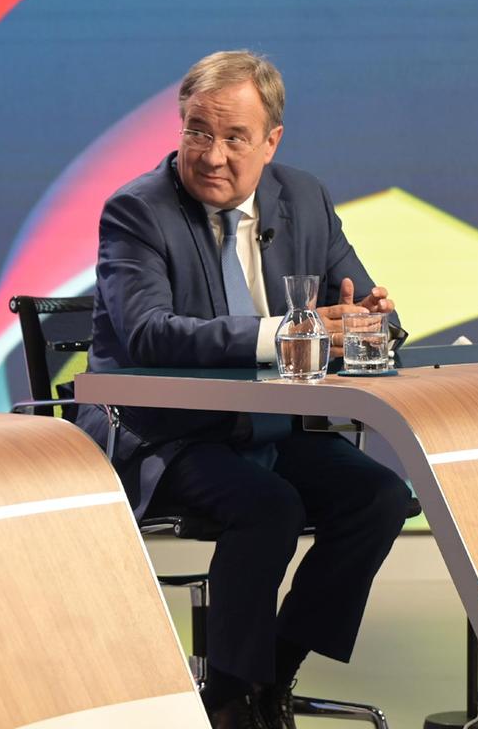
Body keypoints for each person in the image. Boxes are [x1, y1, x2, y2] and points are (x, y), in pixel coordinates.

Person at [75, 51, 411, 729]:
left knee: (379, 498)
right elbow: (148, 335)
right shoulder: (137, 211)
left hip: (269, 429)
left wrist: (368, 326)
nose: (211, 155)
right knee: (269, 506)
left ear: (271, 141)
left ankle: (272, 670)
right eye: (197, 131)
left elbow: (373, 314)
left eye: (233, 137)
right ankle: (231, 698)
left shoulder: (303, 198)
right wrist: (294, 333)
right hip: (166, 434)